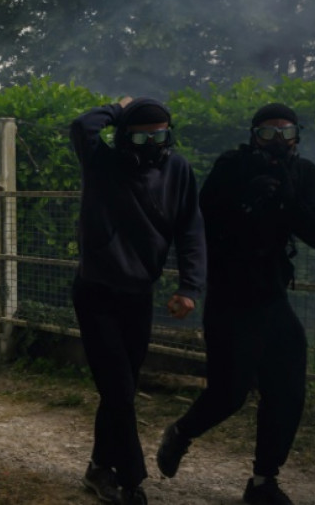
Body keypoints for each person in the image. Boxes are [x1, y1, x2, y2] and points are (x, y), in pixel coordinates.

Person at [156, 103, 315, 505]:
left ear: (297, 136)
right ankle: (181, 433)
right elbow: (200, 226)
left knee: (286, 389)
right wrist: (243, 201)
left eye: (285, 133)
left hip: (271, 294)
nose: (277, 141)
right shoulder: (232, 165)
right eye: (268, 133)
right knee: (229, 393)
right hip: (230, 294)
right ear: (253, 135)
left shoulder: (305, 174)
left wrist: (287, 196)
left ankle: (264, 481)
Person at [69, 97, 206, 505]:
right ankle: (131, 479)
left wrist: (189, 287)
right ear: (123, 136)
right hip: (96, 293)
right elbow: (81, 126)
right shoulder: (101, 162)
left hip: (139, 295)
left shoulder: (178, 169)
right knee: (120, 390)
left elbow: (191, 230)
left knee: (119, 392)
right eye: (142, 134)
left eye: (160, 133)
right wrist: (116, 106)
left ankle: (97, 467)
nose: (152, 142)